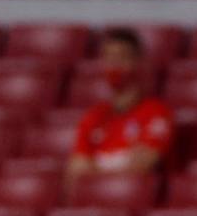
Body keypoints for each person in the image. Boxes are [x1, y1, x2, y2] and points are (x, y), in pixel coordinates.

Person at [67, 27, 173, 186]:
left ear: (138, 61)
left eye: (122, 57)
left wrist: (95, 169)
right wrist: (121, 164)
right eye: (109, 58)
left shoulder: (156, 112)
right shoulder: (93, 116)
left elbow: (141, 167)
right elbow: (76, 170)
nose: (114, 65)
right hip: (93, 203)